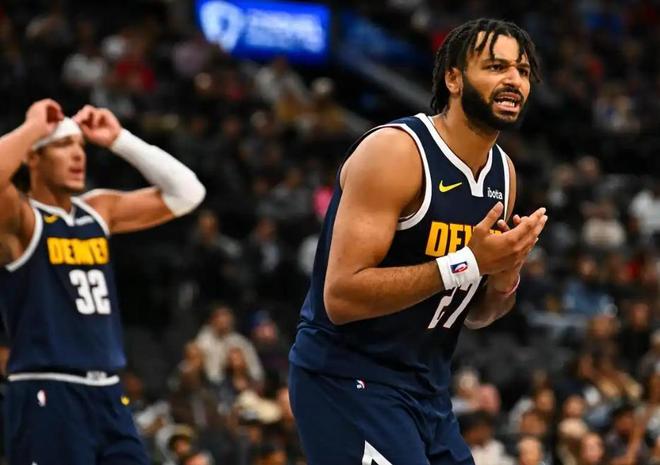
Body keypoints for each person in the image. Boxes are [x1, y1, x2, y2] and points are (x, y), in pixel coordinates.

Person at [288, 18, 547, 465]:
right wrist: (468, 262)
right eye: (496, 67)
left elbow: (475, 315)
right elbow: (341, 297)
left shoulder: (503, 173)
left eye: (522, 70)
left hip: (428, 390)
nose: (514, 80)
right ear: (453, 79)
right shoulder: (396, 152)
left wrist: (505, 275)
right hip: (348, 379)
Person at [0, 99, 205, 464]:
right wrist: (32, 127)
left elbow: (188, 192)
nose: (78, 154)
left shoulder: (98, 211)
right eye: (63, 145)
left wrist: (119, 139)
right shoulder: (22, 218)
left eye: (80, 145)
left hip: (108, 391)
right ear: (33, 157)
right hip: (48, 388)